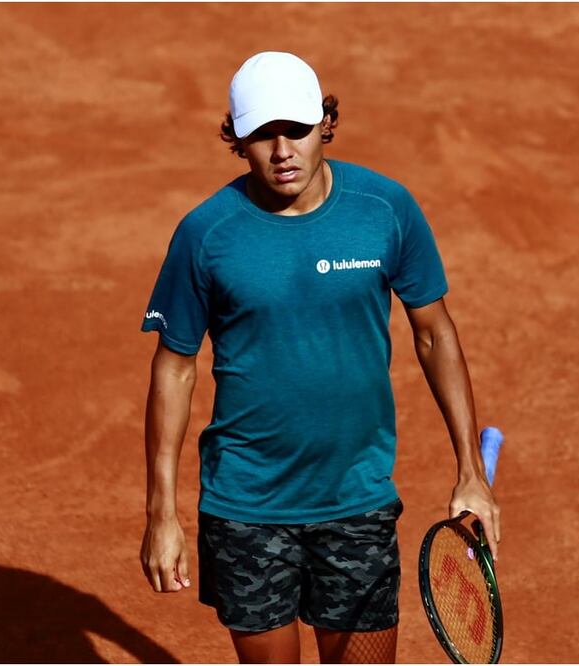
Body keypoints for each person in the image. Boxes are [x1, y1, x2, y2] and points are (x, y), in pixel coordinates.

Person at [138, 51, 501, 664]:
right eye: (262, 135)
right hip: (246, 507)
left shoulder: (384, 210)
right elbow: (174, 366)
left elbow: (435, 333)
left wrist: (471, 470)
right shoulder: (206, 234)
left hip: (357, 499)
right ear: (237, 138)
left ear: (324, 124)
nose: (283, 151)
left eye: (297, 130)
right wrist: (161, 514)